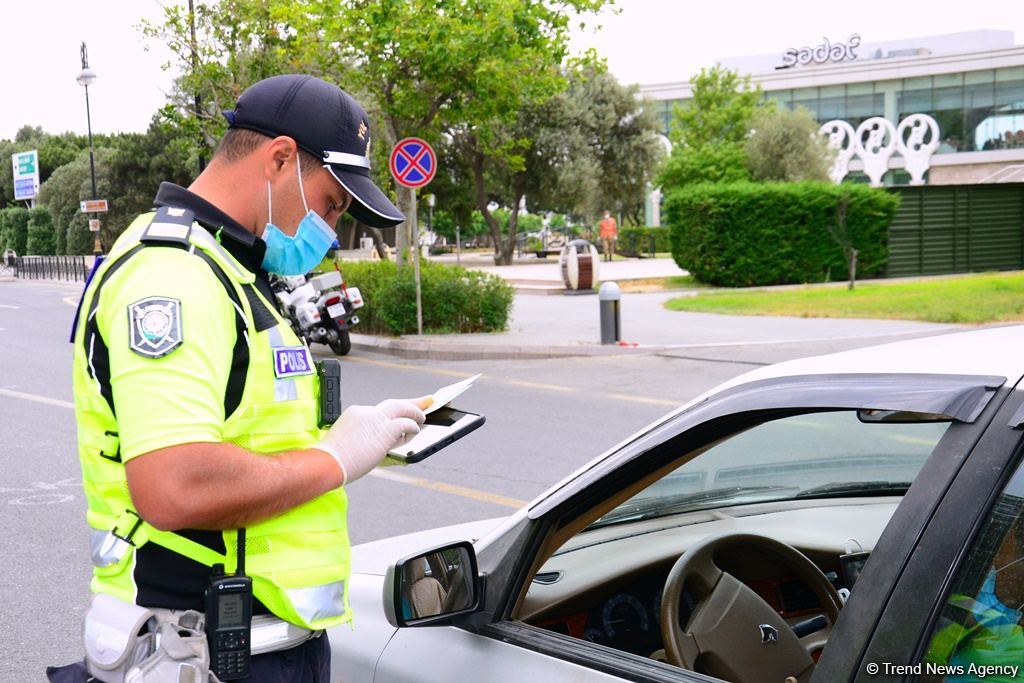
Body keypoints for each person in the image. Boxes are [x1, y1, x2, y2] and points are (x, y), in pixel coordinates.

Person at [51, 75, 427, 683]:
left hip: (260, 645)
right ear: (279, 157)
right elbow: (174, 486)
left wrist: (366, 432)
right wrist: (335, 459)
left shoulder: (231, 269)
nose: (332, 228)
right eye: (332, 203)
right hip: (201, 650)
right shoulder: (172, 277)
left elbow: (254, 433)